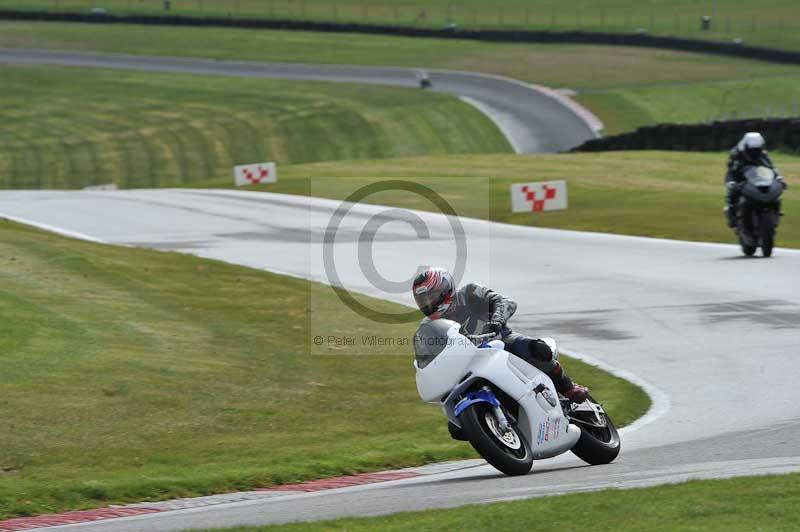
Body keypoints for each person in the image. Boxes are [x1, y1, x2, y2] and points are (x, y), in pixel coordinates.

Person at [412, 267, 589, 403]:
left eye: (432, 296)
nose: (429, 304)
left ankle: (568, 387)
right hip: (465, 364)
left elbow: (505, 301)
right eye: (423, 300)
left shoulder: (469, 293)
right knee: (456, 427)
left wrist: (497, 319)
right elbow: (428, 357)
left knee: (539, 349)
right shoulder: (429, 327)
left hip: (499, 342)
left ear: (445, 288)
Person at [724, 132, 786, 228]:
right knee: (733, 191)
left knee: (775, 193)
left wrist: (779, 178)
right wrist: (731, 182)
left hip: (758, 178)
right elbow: (731, 171)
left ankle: (775, 213)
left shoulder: (762, 154)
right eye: (753, 150)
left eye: (757, 149)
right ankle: (732, 215)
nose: (755, 152)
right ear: (746, 146)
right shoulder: (737, 154)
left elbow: (771, 168)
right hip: (741, 178)